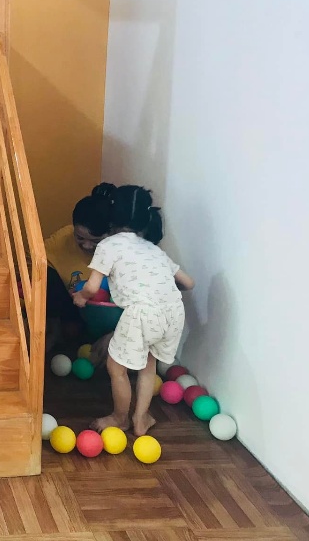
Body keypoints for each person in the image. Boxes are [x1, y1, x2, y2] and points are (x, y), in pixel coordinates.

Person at [73, 185, 194, 436]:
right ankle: (141, 418)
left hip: (142, 314)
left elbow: (92, 286)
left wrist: (81, 297)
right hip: (173, 313)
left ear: (111, 217)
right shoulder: (154, 249)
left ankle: (120, 418)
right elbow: (188, 283)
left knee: (116, 368)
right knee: (148, 366)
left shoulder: (109, 245)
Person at [44, 183, 117, 349]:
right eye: (80, 238)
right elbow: (33, 262)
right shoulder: (62, 240)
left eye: (95, 241)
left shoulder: (116, 249)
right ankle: (55, 332)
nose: (87, 245)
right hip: (72, 306)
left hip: (106, 314)